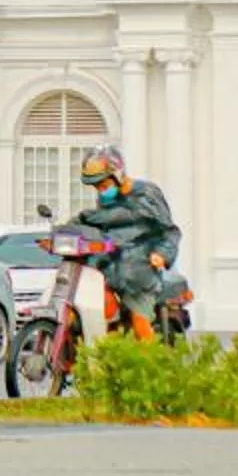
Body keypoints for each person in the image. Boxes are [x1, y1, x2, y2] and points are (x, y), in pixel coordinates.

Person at [72, 144, 184, 337]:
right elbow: (96, 223)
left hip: (140, 273)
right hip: (108, 269)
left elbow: (169, 232)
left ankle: (151, 362)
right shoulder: (106, 201)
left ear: (117, 174)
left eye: (103, 185)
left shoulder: (146, 194)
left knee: (139, 320)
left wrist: (162, 254)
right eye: (96, 187)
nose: (100, 191)